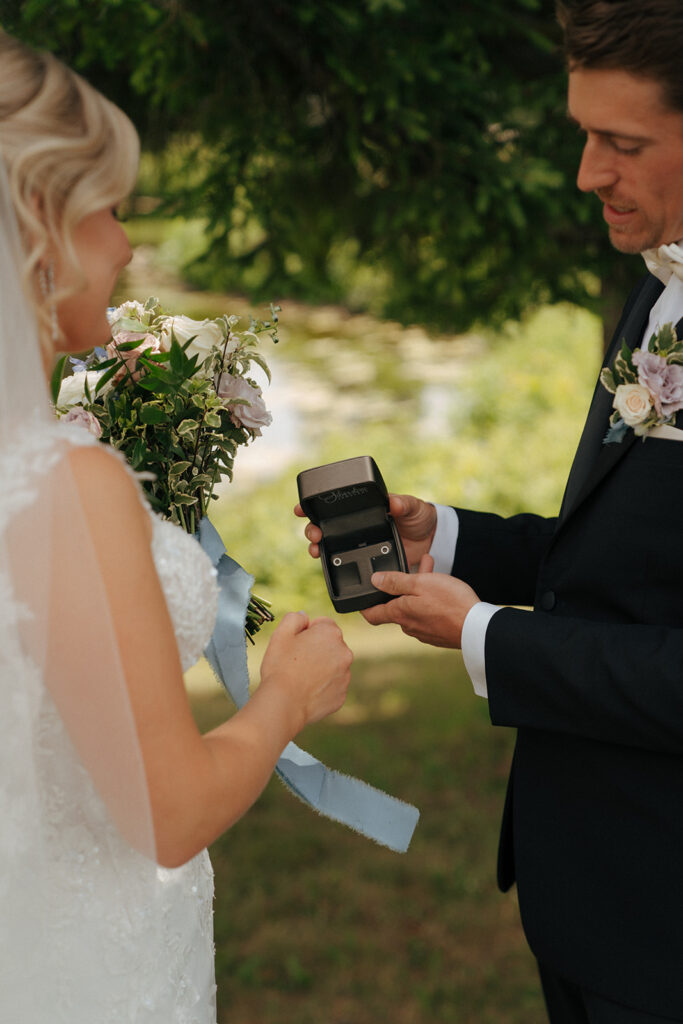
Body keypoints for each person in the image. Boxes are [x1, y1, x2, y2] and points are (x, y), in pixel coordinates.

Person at [297, 1, 683, 1020]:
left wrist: (479, 635)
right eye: (581, 134)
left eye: (622, 142)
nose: (585, 174)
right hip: (587, 891)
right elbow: (628, 561)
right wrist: (451, 538)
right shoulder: (655, 293)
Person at [0, 30, 353, 1023]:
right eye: (107, 209)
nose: (123, 244)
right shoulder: (60, 487)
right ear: (38, 221)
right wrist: (285, 695)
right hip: (88, 979)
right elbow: (169, 811)